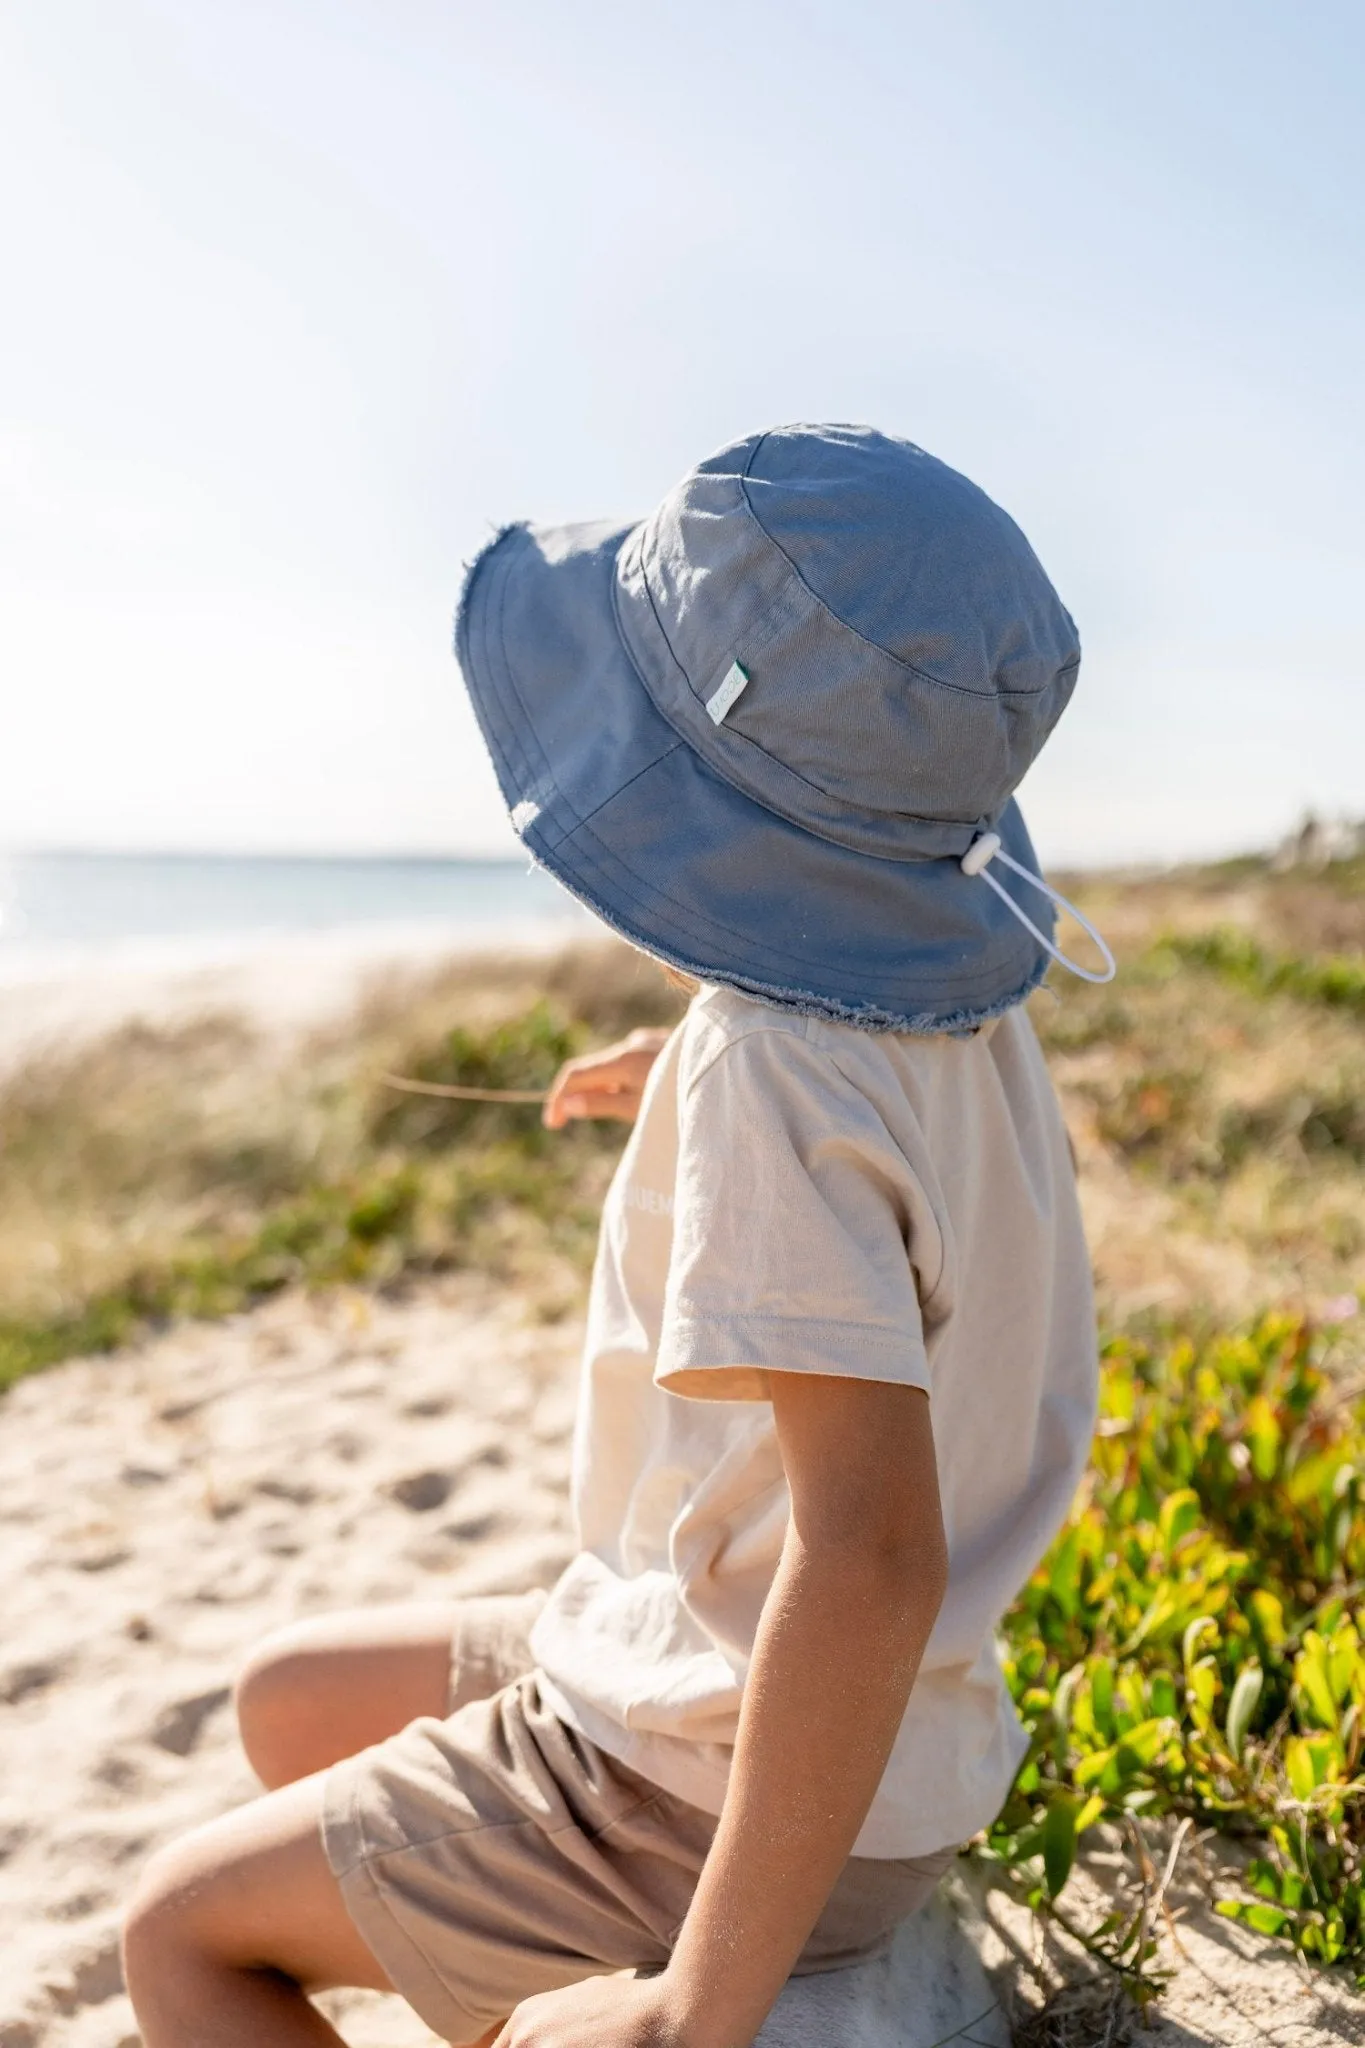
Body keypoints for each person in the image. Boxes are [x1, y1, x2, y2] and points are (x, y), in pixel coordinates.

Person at [122, 424, 1106, 2048]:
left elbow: (865, 1561)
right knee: (285, 1700)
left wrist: (686, 2021)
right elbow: (897, 1162)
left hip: (717, 1775)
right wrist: (685, 1078)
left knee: (178, 1938)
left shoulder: (776, 1072)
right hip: (856, 1714)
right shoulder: (959, 969)